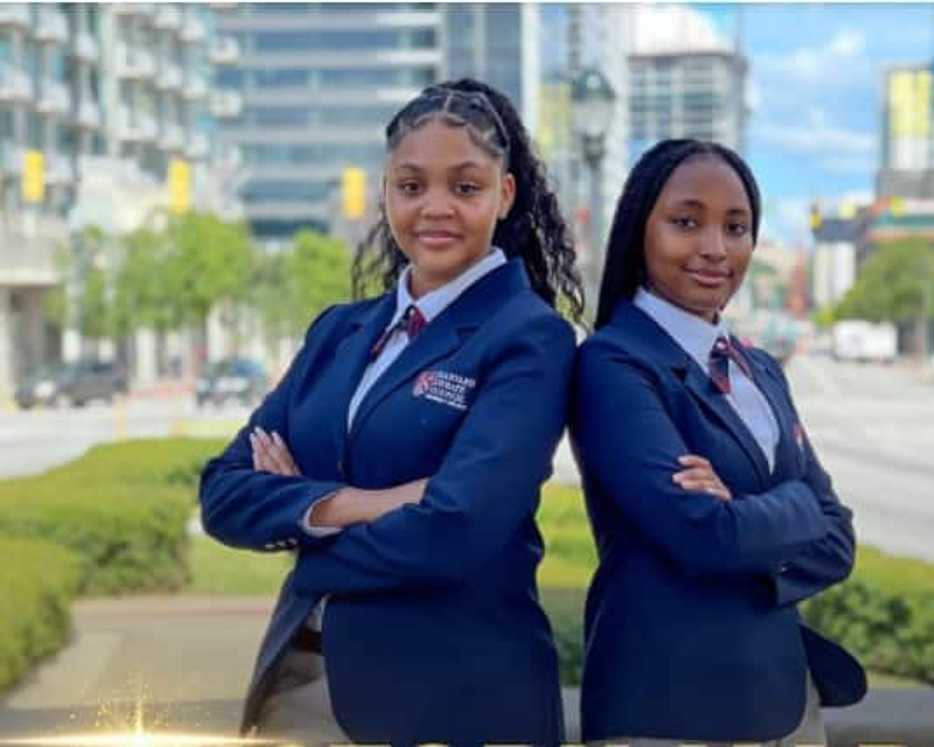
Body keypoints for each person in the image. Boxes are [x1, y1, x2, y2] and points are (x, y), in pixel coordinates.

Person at [199, 79, 583, 746]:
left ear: (505, 194)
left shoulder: (530, 337)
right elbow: (223, 492)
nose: (435, 207)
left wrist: (301, 523)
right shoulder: (339, 331)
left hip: (453, 701)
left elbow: (459, 527)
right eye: (411, 186)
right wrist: (356, 503)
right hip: (299, 686)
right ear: (385, 192)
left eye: (465, 187)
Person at [570, 139, 866, 746]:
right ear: (640, 231)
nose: (715, 248)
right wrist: (794, 507)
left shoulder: (760, 370)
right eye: (686, 222)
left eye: (736, 228)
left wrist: (744, 516)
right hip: (667, 710)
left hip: (785, 704)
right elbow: (702, 533)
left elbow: (839, 539)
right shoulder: (613, 365)